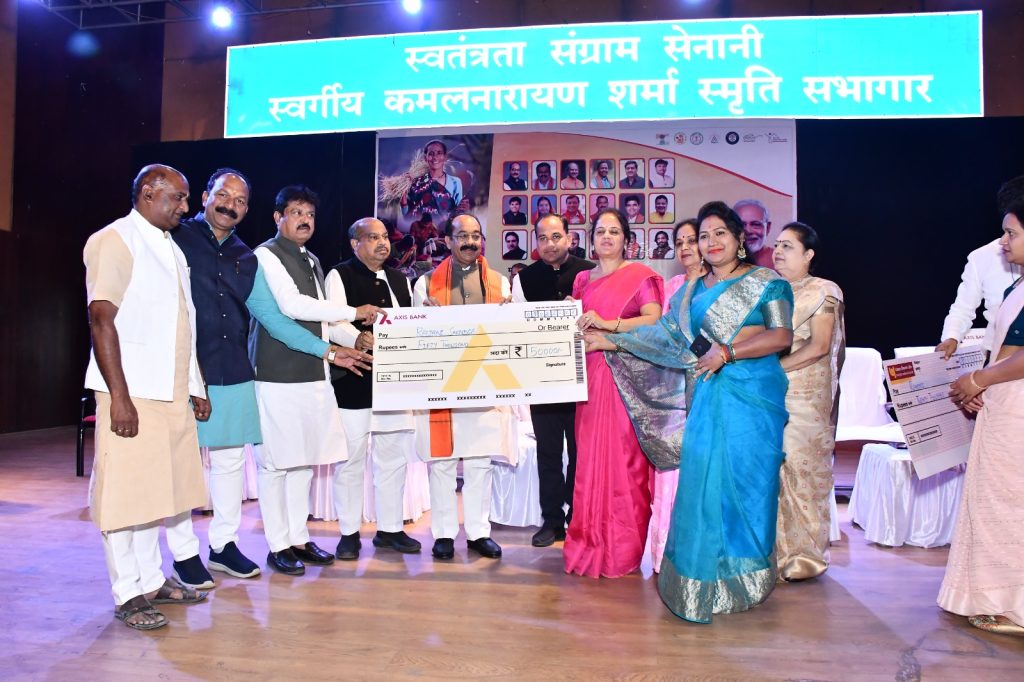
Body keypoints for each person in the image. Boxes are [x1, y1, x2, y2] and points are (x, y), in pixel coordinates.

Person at [586, 200, 794, 622]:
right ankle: (702, 581)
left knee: (748, 486)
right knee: (703, 485)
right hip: (707, 397)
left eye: (720, 233)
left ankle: (744, 577)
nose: (711, 242)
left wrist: (728, 352)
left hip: (754, 399)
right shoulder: (690, 294)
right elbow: (666, 337)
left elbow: (781, 336)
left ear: (739, 239)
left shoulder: (767, 283)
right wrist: (610, 339)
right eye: (704, 236)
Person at [173, 168, 369, 582]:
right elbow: (291, 307)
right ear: (204, 196)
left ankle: (227, 545)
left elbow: (275, 318)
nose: (231, 205)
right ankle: (188, 553)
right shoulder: (179, 238)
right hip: (185, 368)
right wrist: (353, 315)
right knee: (185, 461)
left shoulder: (246, 255)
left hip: (232, 368)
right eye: (223, 196)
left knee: (238, 462)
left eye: (240, 200)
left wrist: (334, 350)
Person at [84, 164, 211, 630]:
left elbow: (182, 321)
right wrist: (119, 396)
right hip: (132, 392)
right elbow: (101, 319)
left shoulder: (170, 246)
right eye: (178, 197)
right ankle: (127, 593)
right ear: (147, 194)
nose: (186, 207)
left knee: (157, 494)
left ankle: (152, 581)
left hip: (171, 392)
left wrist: (195, 385)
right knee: (124, 496)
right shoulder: (114, 239)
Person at [252, 185, 380, 576]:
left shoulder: (311, 259)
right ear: (278, 218)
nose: (305, 220)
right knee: (276, 464)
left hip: (314, 373)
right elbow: (291, 305)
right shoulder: (265, 255)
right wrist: (354, 312)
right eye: (296, 213)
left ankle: (298, 538)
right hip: (277, 374)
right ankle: (277, 545)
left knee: (303, 462)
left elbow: (324, 321)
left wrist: (354, 338)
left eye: (310, 214)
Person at [942, 182, 1024, 637]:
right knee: (994, 499)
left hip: (1017, 408)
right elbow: (1006, 345)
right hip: (1004, 402)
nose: (1003, 243)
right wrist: (982, 384)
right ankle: (994, 596)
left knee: (1011, 504)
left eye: (1011, 233)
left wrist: (980, 380)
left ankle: (1013, 605)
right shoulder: (1018, 283)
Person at [412, 212, 518, 560]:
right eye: (462, 236)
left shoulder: (501, 283)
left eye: (475, 236)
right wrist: (425, 315)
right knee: (442, 462)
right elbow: (415, 334)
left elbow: (510, 334)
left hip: (485, 383)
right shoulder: (425, 283)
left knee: (479, 461)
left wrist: (509, 314)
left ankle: (478, 532)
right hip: (443, 385)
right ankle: (443, 534)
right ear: (448, 241)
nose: (470, 242)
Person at [564, 208, 663, 578]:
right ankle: (589, 543)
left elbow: (654, 321)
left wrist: (610, 326)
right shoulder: (582, 279)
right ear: (591, 239)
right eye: (600, 231)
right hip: (589, 378)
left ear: (627, 240)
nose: (606, 237)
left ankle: (622, 551)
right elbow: (575, 323)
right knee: (589, 462)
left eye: (614, 231)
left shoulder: (641, 276)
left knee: (624, 463)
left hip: (626, 379)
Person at [326, 218, 422, 560]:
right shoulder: (339, 275)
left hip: (395, 382)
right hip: (354, 379)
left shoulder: (400, 279)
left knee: (393, 458)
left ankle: (390, 529)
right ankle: (349, 533)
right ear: (356, 244)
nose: (383, 243)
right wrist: (356, 338)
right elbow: (332, 321)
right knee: (351, 459)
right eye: (373, 237)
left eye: (385, 237)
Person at [511, 214, 596, 547]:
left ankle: (578, 516)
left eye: (556, 236)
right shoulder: (524, 279)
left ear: (570, 238)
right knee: (547, 452)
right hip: (543, 380)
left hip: (583, 379)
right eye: (543, 238)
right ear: (536, 242)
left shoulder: (590, 272)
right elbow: (518, 327)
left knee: (580, 452)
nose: (549, 244)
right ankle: (551, 521)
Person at [773, 222, 846, 581]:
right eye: (776, 245)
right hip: (772, 396)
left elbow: (819, 346)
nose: (778, 252)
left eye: (787, 246)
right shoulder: (772, 291)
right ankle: (775, 553)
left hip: (805, 396)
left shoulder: (824, 291)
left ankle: (804, 557)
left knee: (802, 472)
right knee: (775, 472)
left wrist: (773, 370)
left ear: (808, 254)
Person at [646, 219, 704, 572]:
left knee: (701, 465)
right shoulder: (672, 286)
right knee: (670, 467)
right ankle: (665, 552)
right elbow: (660, 335)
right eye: (679, 242)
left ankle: (697, 553)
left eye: (691, 240)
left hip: (710, 384)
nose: (684, 248)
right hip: (673, 389)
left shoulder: (718, 285)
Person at [936, 185, 1019, 355]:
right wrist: (951, 337)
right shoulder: (982, 257)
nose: (1004, 241)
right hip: (996, 353)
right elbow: (963, 308)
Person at [401, 139, 468, 218]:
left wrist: (463, 208)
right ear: (425, 158)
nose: (435, 157)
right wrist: (403, 201)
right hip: (422, 225)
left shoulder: (455, 182)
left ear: (445, 157)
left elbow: (459, 213)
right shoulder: (417, 183)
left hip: (446, 225)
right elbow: (407, 216)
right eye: (431, 154)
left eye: (439, 153)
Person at [734, 199, 775, 268]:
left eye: (756, 224)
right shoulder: (721, 260)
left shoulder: (780, 261)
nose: (748, 231)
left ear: (767, 228)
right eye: (741, 225)